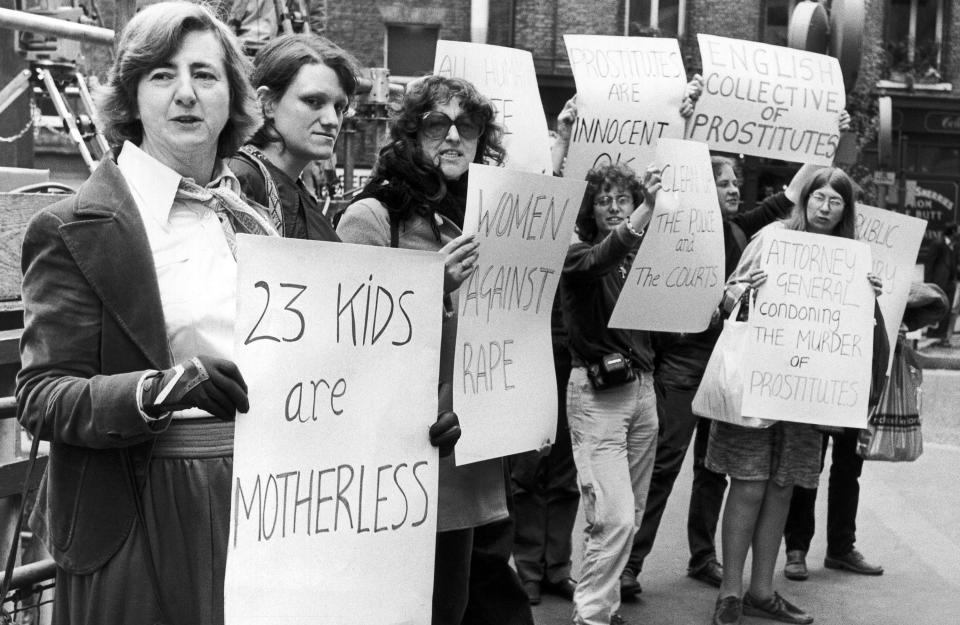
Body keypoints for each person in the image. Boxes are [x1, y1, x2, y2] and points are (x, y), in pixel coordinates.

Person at [15, 4, 272, 624]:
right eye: (161, 74)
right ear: (130, 96)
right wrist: (162, 389)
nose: (186, 93)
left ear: (232, 96)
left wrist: (397, 411)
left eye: (205, 75)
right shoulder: (74, 225)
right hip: (137, 507)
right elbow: (42, 397)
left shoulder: (252, 215)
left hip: (263, 502)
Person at [620, 133, 852, 598]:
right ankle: (628, 565)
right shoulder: (681, 225)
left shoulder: (744, 229)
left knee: (715, 469)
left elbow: (794, 194)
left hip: (751, 367)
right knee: (665, 463)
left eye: (735, 181)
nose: (731, 188)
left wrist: (830, 135)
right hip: (689, 359)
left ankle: (704, 556)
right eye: (721, 182)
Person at [336, 75, 520, 625]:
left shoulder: (490, 219)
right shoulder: (374, 218)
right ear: (413, 134)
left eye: (469, 126)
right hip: (394, 464)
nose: (455, 137)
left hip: (465, 461)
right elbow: (345, 341)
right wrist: (429, 288)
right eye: (439, 124)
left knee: (450, 607)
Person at [708, 167, 886, 625]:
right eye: (819, 197)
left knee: (783, 487)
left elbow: (857, 331)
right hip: (757, 384)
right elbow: (725, 299)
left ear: (847, 211)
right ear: (803, 199)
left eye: (836, 201)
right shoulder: (771, 239)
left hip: (809, 394)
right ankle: (730, 593)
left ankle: (762, 593)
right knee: (747, 485)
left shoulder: (852, 259)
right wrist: (745, 291)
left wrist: (867, 299)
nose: (825, 208)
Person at [560, 161, 661, 625]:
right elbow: (604, 256)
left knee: (626, 514)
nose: (616, 208)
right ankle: (593, 616)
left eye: (624, 199)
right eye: (605, 201)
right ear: (590, 210)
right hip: (598, 397)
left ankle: (602, 604)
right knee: (614, 516)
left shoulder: (642, 262)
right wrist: (645, 211)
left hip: (642, 392)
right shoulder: (577, 252)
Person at [228, 33, 359, 241]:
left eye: (339, 107)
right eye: (313, 101)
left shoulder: (293, 188)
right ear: (267, 102)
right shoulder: (239, 182)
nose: (332, 120)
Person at [926, 222, 958, 346]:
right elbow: (929, 264)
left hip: (950, 284)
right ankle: (933, 336)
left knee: (947, 309)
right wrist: (928, 284)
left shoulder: (954, 246)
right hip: (938, 283)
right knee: (937, 309)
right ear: (952, 232)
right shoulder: (938, 244)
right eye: (957, 231)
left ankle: (942, 337)